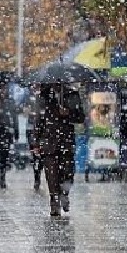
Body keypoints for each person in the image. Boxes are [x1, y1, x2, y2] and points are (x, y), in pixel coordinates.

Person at [33, 83, 85, 216]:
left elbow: (80, 118)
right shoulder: (43, 97)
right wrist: (35, 142)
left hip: (66, 142)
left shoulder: (72, 95)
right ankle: (54, 202)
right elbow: (38, 120)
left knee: (68, 172)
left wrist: (69, 113)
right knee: (51, 174)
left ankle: (64, 195)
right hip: (49, 141)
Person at [25, 84, 43, 190]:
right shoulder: (30, 98)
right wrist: (34, 113)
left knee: (41, 154)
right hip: (31, 128)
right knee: (34, 153)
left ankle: (39, 171)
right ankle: (37, 175)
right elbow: (25, 111)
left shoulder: (44, 97)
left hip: (41, 129)